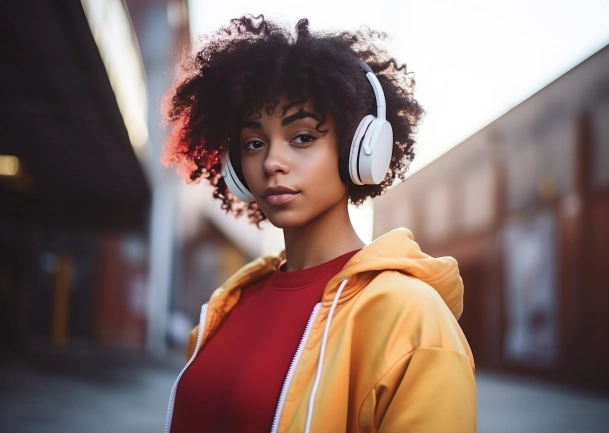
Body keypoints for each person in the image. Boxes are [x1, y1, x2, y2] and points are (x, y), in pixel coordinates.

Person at [162, 15, 476, 433]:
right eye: (253, 143)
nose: (272, 162)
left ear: (360, 149)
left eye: (303, 137)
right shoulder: (229, 304)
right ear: (236, 168)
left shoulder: (412, 318)